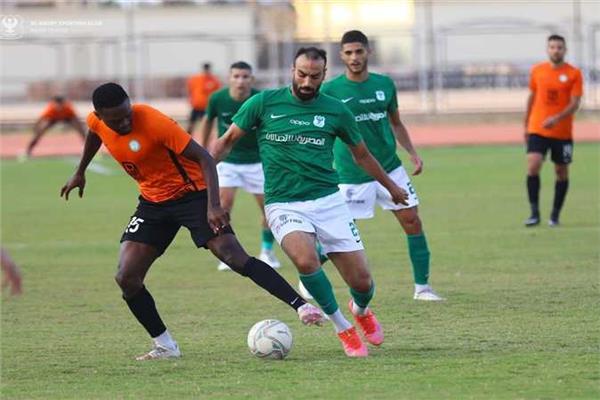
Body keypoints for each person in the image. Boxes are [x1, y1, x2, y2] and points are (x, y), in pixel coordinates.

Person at [60, 82, 324, 361]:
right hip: (153, 202)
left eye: (127, 114)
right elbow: (94, 133)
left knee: (232, 256)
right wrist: (80, 171)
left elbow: (206, 159)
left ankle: (300, 305)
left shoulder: (155, 122)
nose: (125, 122)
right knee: (127, 277)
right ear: (100, 116)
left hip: (193, 196)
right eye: (116, 120)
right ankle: (165, 345)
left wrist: (213, 206)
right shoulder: (97, 121)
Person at [212, 47, 409, 357]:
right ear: (292, 69)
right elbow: (225, 143)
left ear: (323, 75)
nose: (306, 81)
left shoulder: (336, 110)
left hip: (329, 201)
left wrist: (392, 186)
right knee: (306, 260)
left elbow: (362, 155)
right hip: (284, 203)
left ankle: (360, 310)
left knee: (362, 281)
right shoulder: (264, 103)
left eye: (314, 77)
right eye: (301, 74)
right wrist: (199, 180)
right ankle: (343, 327)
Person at [320, 30, 444, 301]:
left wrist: (412, 152)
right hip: (351, 175)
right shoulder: (330, 90)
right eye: (349, 52)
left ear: (368, 52)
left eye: (359, 51)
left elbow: (396, 122)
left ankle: (422, 288)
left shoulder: (385, 85)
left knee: (412, 221)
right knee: (336, 234)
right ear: (341, 55)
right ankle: (309, 278)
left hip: (390, 167)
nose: (354, 57)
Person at [198, 61, 280, 271]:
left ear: (252, 79)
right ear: (229, 78)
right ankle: (227, 254)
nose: (240, 80)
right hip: (228, 162)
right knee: (223, 206)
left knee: (269, 209)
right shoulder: (218, 98)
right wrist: (202, 152)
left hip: (257, 162)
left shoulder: (260, 99)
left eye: (245, 76)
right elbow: (208, 122)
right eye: (236, 76)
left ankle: (267, 251)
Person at [524, 34, 583, 227]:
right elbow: (532, 97)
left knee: (561, 171)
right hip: (537, 128)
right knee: (533, 165)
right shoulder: (537, 71)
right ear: (547, 49)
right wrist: (526, 124)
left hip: (562, 133)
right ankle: (534, 213)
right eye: (552, 47)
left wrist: (556, 118)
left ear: (565, 50)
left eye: (559, 47)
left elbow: (575, 104)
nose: (555, 50)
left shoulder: (574, 73)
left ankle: (555, 215)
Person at [186, 62, 221, 134]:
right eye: (205, 69)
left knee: (206, 126)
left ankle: (205, 141)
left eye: (207, 70)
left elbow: (217, 94)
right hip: (196, 106)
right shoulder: (195, 79)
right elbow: (190, 91)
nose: (206, 71)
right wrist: (190, 101)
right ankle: (187, 139)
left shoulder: (214, 80)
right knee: (190, 125)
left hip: (207, 107)